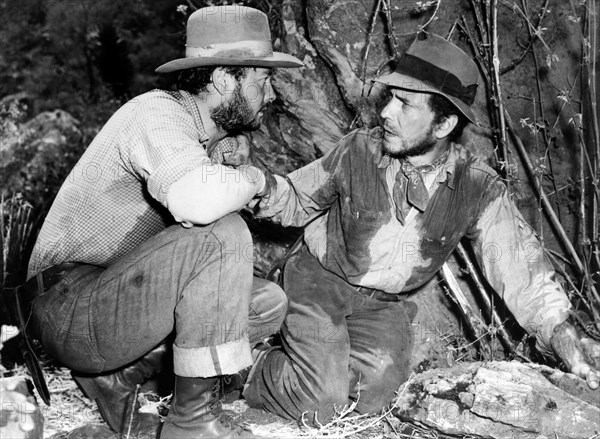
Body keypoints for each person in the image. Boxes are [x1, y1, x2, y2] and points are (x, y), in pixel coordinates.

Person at [242, 33, 600, 424]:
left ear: (444, 123)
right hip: (319, 284)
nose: (385, 112)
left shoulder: (477, 187)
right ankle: (252, 364)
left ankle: (306, 364)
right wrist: (257, 186)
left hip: (380, 304)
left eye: (405, 104)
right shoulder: (359, 149)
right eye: (390, 97)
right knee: (323, 403)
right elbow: (297, 198)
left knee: (376, 398)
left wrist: (566, 336)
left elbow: (521, 271)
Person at [21, 5, 302, 438]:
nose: (271, 95)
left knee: (266, 302)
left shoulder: (208, 137)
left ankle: (118, 377)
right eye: (263, 80)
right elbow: (201, 204)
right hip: (66, 305)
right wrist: (249, 178)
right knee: (222, 236)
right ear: (226, 79)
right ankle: (191, 423)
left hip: (111, 295)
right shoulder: (155, 113)